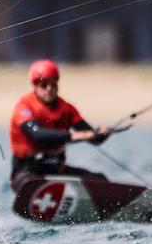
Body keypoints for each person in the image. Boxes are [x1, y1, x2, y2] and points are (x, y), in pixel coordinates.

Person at [9, 59, 112, 190]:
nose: (49, 89)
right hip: (27, 173)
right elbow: (38, 134)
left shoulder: (67, 108)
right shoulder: (24, 107)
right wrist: (72, 136)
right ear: (35, 86)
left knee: (100, 180)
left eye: (53, 84)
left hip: (56, 170)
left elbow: (92, 137)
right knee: (31, 185)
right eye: (44, 85)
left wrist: (101, 132)